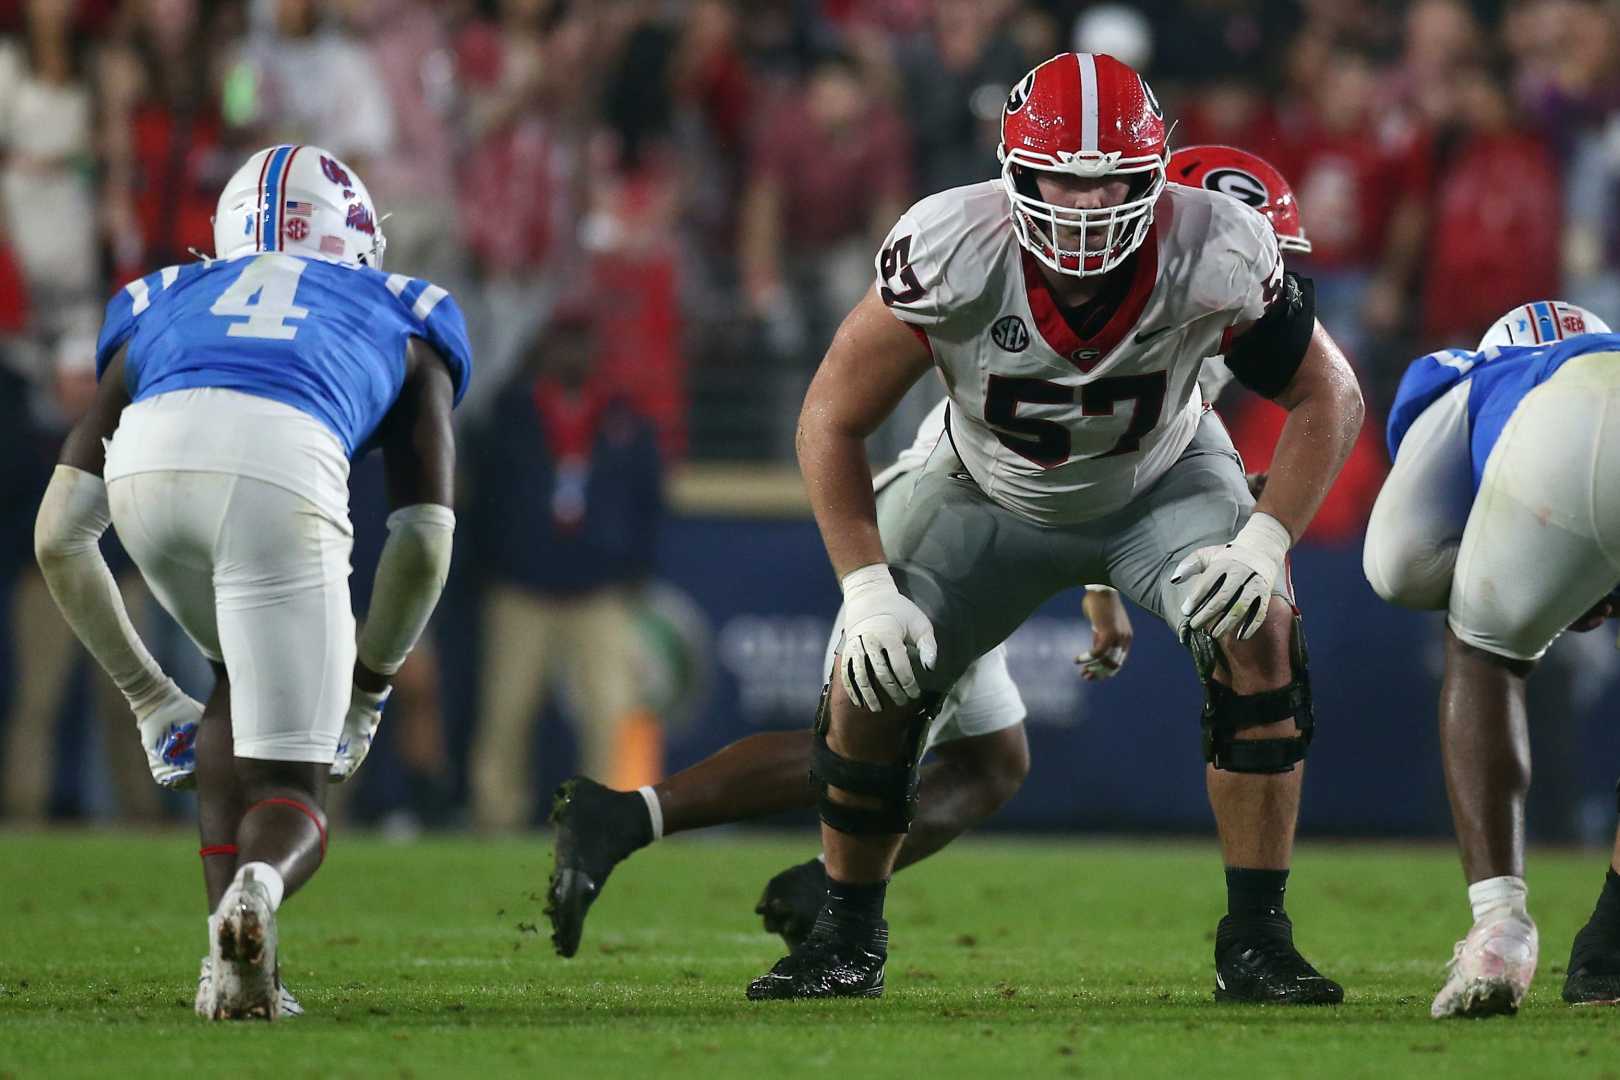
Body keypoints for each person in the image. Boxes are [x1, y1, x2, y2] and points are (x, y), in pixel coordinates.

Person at [548, 96, 1360, 1006]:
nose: (1087, 210)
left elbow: (1329, 394)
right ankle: (845, 930)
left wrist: (1262, 542)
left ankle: (1256, 940)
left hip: (1157, 483)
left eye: (1109, 186)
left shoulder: (1217, 253)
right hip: (980, 488)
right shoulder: (954, 243)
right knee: (875, 688)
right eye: (1066, 182)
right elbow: (830, 413)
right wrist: (864, 587)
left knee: (1262, 629)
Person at [32, 144, 471, 1019]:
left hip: (148, 470)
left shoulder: (166, 297)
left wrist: (153, 700)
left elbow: (58, 538)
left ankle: (228, 972)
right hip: (281, 467)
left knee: (235, 684)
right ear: (354, 236)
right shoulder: (404, 308)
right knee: (295, 788)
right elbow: (423, 538)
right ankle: (258, 890)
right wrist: (371, 690)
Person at [1364, 300, 1620, 1017]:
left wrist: (1519, 584)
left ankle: (1499, 929)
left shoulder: (1474, 371)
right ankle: (1612, 940)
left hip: (1562, 437)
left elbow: (1399, 564)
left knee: (1485, 648)